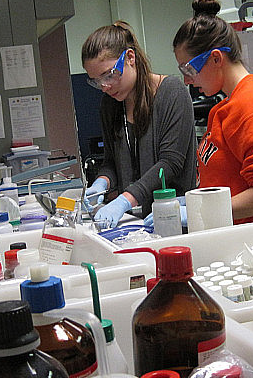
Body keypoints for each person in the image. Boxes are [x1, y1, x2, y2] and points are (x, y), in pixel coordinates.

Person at [172, 0, 253, 224]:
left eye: (189, 68)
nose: (187, 80)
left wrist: (201, 213)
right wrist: (195, 202)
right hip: (237, 233)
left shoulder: (251, 105)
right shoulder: (225, 108)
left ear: (216, 58)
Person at [81, 21, 196, 228]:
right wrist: (101, 184)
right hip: (136, 223)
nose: (105, 86)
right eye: (96, 81)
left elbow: (170, 163)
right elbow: (111, 162)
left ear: (130, 58)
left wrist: (124, 200)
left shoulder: (171, 92)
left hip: (174, 220)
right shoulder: (110, 104)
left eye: (109, 74)